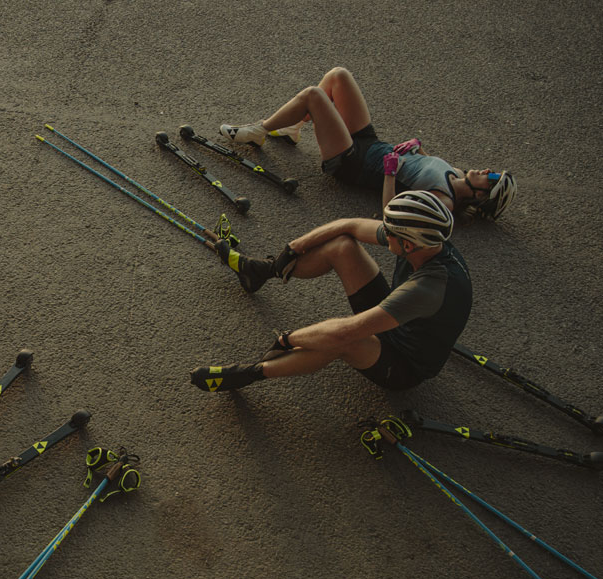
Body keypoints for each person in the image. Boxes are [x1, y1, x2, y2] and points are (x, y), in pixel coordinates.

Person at [190, 190, 472, 393]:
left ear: (408, 245)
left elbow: (345, 332)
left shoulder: (428, 287)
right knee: (343, 247)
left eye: (390, 231)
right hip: (401, 322)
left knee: (340, 342)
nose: (384, 232)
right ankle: (258, 272)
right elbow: (349, 225)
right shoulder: (424, 240)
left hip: (403, 365)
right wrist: (293, 247)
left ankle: (249, 374)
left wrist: (288, 340)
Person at [219, 66, 517, 220]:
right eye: (494, 170)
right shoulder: (457, 173)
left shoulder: (445, 200)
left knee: (314, 95)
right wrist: (417, 146)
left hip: (352, 163)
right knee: (339, 76)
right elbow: (423, 166)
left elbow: (391, 211)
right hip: (371, 143)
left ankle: (260, 130)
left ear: (481, 197)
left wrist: (389, 172)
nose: (488, 170)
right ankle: (293, 128)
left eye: (492, 177)